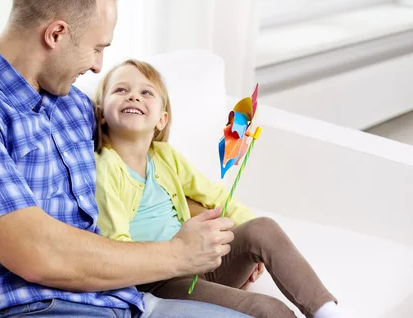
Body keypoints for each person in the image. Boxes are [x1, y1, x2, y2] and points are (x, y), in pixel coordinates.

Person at [0, 0, 251, 318]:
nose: (98, 66)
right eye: (97, 48)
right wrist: (179, 254)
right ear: (56, 34)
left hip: (120, 301)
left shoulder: (74, 107)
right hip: (25, 308)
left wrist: (211, 232)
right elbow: (36, 253)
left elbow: (137, 180)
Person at [93, 59, 345, 318]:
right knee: (268, 309)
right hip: (162, 281)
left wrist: (248, 246)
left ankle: (327, 312)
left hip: (202, 262)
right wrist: (175, 257)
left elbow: (214, 195)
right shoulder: (105, 168)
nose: (134, 96)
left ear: (161, 118)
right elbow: (117, 249)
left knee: (262, 227)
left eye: (146, 92)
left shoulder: (165, 156)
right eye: (121, 90)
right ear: (101, 112)